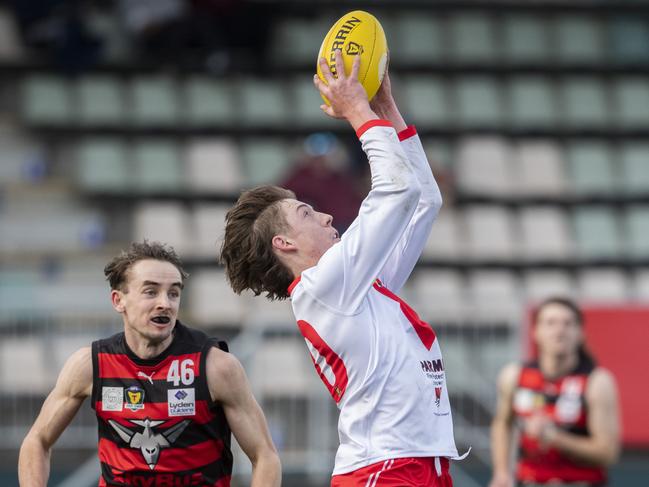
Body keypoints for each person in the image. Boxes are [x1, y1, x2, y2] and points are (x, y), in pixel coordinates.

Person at [220, 50, 459, 486]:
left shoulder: (356, 284)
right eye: (308, 213)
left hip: (417, 463)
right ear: (284, 243)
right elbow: (397, 191)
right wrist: (358, 112)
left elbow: (425, 200)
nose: (327, 217)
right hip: (383, 470)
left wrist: (388, 110)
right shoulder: (324, 285)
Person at [18, 241, 281, 487]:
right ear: (118, 300)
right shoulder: (90, 364)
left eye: (174, 293)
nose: (164, 304)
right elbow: (36, 442)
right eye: (151, 291)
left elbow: (265, 456)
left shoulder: (215, 367)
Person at [489, 297, 620, 487]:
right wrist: (501, 472)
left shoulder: (596, 382)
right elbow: (502, 423)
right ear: (536, 332)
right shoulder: (514, 376)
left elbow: (608, 453)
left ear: (580, 333)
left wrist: (556, 438)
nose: (559, 331)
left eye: (568, 323)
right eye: (550, 323)